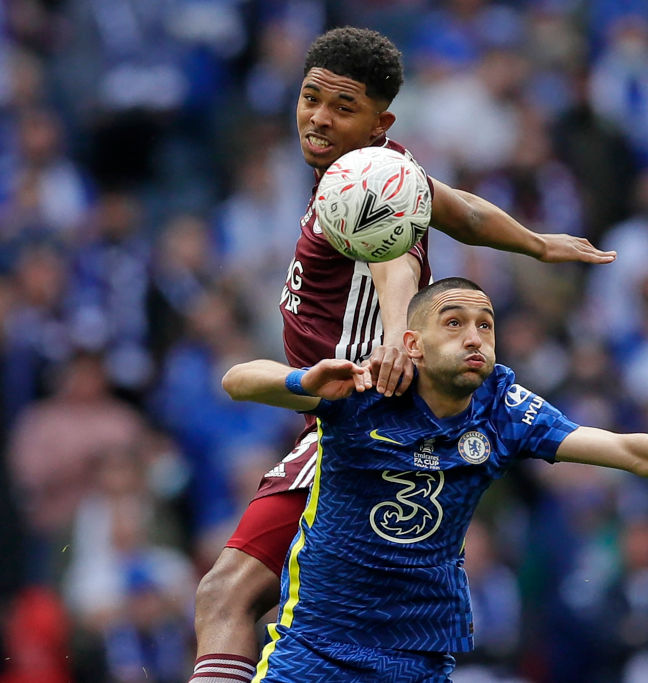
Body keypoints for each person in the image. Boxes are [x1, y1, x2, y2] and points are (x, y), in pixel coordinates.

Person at [189, 27, 617, 683]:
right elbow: (463, 212)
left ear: (379, 121)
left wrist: (395, 335)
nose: (319, 118)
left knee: (230, 592)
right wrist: (536, 243)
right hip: (350, 415)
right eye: (311, 98)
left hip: (358, 413)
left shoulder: (369, 183)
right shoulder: (389, 168)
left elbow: (393, 263)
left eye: (343, 107)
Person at [219, 277, 648, 681]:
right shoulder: (362, 390)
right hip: (318, 644)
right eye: (453, 324)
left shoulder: (505, 409)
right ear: (413, 343)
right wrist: (302, 381)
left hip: (417, 651)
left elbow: (623, 448)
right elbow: (238, 381)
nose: (474, 337)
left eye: (484, 324)